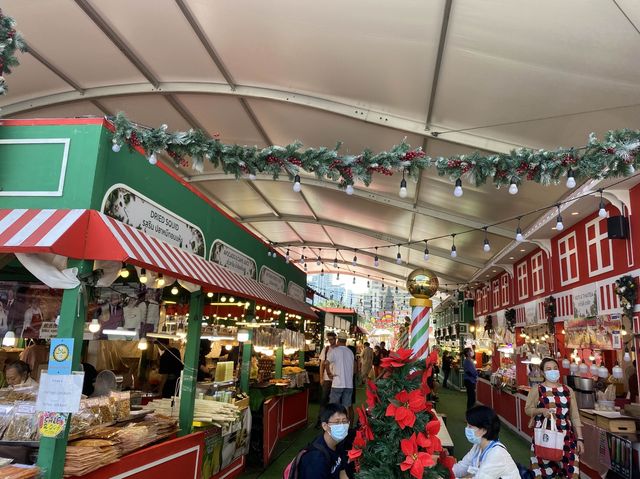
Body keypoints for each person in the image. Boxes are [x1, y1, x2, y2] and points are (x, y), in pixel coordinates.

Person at [525, 357, 583, 479]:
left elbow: (574, 416)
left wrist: (580, 439)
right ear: (542, 372)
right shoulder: (537, 390)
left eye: (555, 368)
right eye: (549, 369)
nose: (553, 371)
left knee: (572, 473)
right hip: (544, 438)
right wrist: (541, 410)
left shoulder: (568, 390)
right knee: (543, 473)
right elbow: (528, 409)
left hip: (566, 438)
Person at [452, 405, 520, 478]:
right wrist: (446, 472)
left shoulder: (496, 454)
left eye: (470, 426)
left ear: (484, 430)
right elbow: (462, 467)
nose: (466, 429)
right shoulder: (478, 446)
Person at [297, 403, 349, 479]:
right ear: (325, 426)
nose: (342, 426)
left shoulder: (339, 442)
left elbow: (342, 471)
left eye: (344, 421)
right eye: (337, 422)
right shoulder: (316, 459)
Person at [327, 333, 355, 410]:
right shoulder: (350, 352)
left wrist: (329, 373)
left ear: (338, 340)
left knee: (333, 407)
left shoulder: (335, 351)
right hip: (349, 384)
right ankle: (346, 421)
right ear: (345, 341)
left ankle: (334, 422)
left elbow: (326, 362)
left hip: (337, 383)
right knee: (346, 407)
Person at [317, 332, 338, 427]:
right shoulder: (325, 350)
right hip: (326, 379)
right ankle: (320, 420)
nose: (330, 341)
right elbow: (321, 365)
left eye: (332, 339)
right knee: (323, 400)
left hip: (337, 379)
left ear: (335, 338)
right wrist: (321, 377)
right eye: (329, 340)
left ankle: (332, 420)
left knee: (334, 401)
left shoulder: (339, 350)